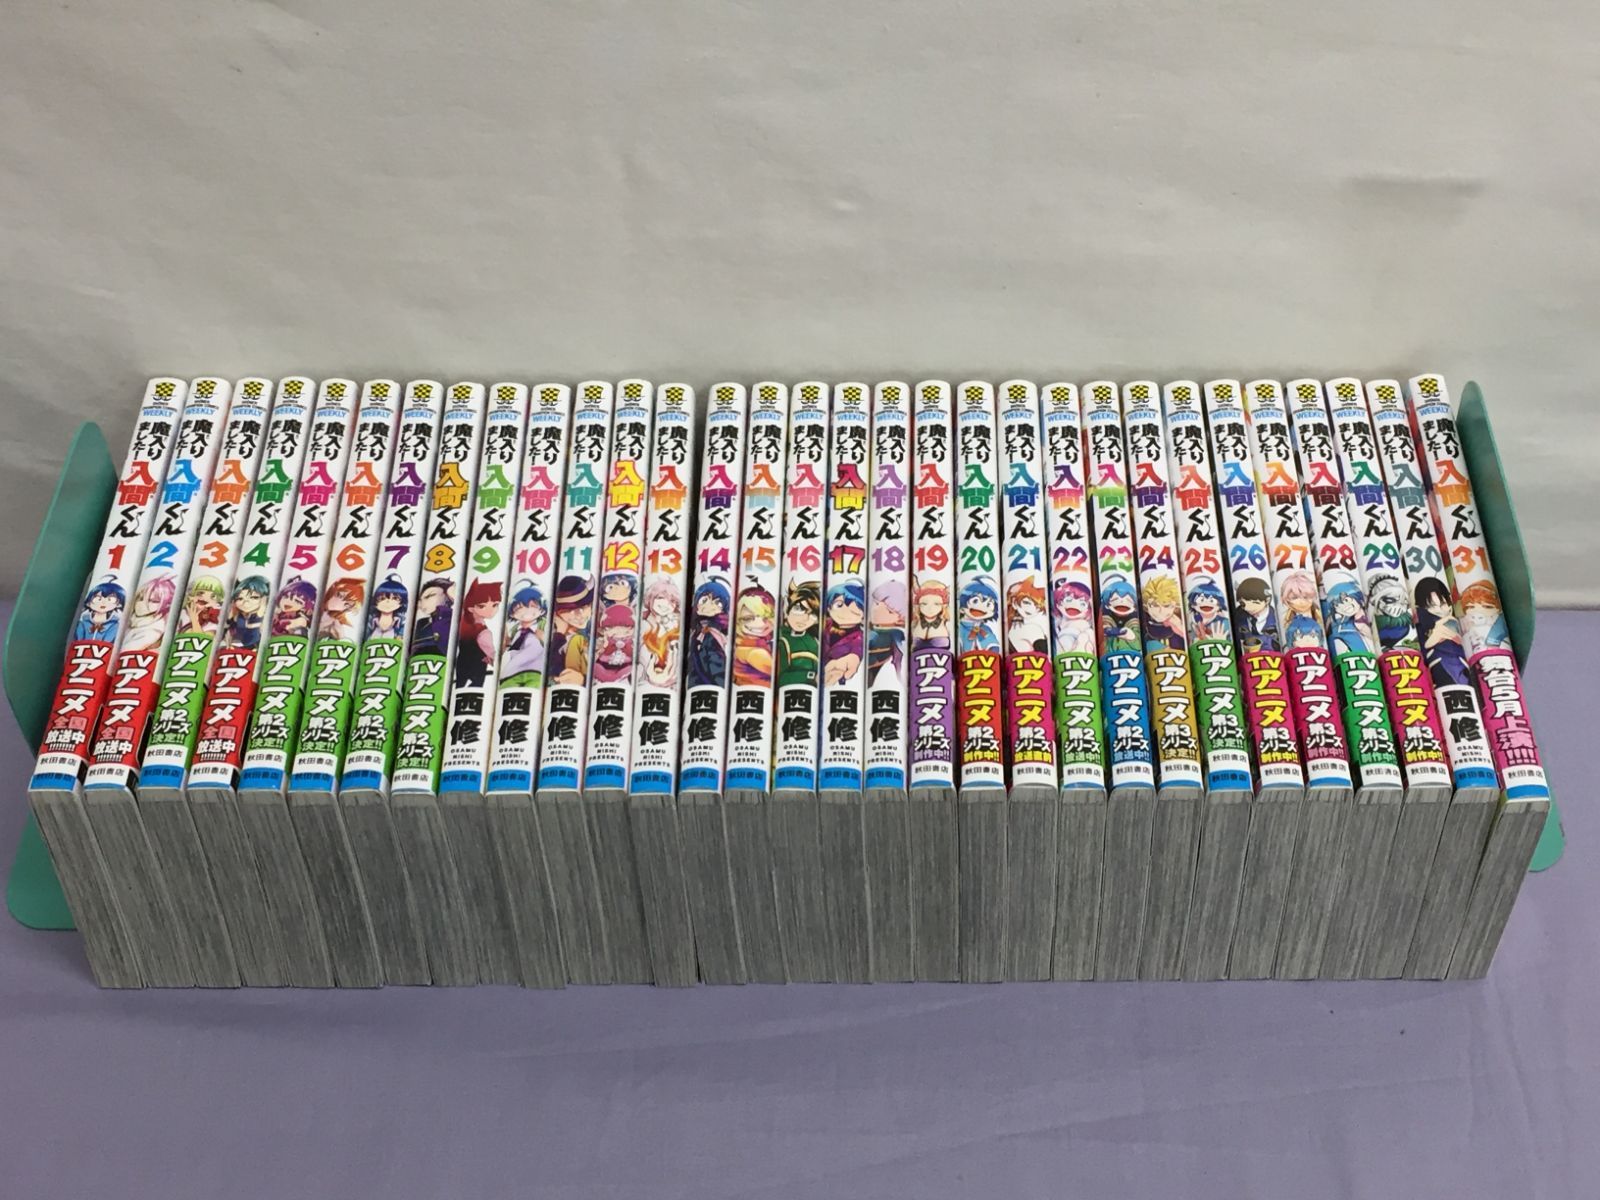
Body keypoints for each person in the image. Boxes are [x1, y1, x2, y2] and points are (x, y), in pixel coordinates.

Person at [1415, 576, 1470, 687]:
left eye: (1443, 604)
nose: (1440, 610)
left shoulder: (1460, 621)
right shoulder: (1421, 628)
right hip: (1440, 677)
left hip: (1465, 674)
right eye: (1432, 607)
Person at [454, 579, 502, 688]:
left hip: (461, 664)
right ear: (471, 608)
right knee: (474, 688)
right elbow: (492, 653)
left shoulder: (462, 624)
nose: (491, 610)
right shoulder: (483, 632)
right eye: (482, 606)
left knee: (461, 686)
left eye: (495, 605)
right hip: (477, 667)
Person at [547, 576, 594, 686]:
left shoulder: (598, 628)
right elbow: (552, 671)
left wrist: (584, 680)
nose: (579, 615)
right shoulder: (558, 637)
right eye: (568, 610)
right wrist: (560, 634)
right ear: (557, 614)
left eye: (584, 606)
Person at [500, 581, 548, 687]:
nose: (526, 611)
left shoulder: (542, 626)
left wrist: (543, 637)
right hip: (513, 673)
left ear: (542, 610)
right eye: (519, 608)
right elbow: (509, 646)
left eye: (533, 606)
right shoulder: (515, 630)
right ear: (512, 613)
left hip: (535, 670)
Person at [686, 578, 731, 688]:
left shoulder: (713, 635)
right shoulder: (696, 631)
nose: (709, 606)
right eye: (704, 600)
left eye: (717, 603)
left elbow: (717, 666)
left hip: (711, 686)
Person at [775, 579, 820, 688]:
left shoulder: (814, 640)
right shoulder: (781, 639)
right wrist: (811, 676)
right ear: (787, 607)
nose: (805, 618)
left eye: (813, 614)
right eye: (799, 609)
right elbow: (780, 677)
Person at [637, 579, 682, 688]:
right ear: (650, 599)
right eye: (660, 598)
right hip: (643, 680)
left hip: (670, 681)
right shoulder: (643, 624)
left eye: (672, 601)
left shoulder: (676, 626)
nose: (666, 604)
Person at [822, 580, 866, 686]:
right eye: (839, 605)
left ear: (863, 616)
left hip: (839, 680)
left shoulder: (859, 638)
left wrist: (853, 658)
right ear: (829, 608)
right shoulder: (825, 625)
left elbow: (858, 649)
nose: (844, 613)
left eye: (854, 611)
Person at [733, 584, 776, 688]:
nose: (760, 624)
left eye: (766, 616)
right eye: (748, 618)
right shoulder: (753, 652)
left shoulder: (762, 645)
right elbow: (782, 673)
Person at [866, 580, 908, 684]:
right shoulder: (871, 631)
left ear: (900, 619)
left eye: (889, 611)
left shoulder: (894, 635)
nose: (876, 609)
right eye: (876, 603)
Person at [122, 573, 177, 651]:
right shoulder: (133, 621)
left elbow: (126, 651)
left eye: (152, 601)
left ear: (166, 605)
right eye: (141, 598)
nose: (142, 604)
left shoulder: (152, 631)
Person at [1324, 576, 1375, 655]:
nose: (1344, 606)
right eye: (1337, 605)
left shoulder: (1371, 617)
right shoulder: (1340, 630)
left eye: (1346, 600)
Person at [1458, 579, 1510, 656]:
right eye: (1471, 607)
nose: (1478, 611)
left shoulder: (1499, 624)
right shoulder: (1465, 625)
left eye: (1486, 606)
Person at [591, 601, 636, 683]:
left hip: (626, 668)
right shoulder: (604, 641)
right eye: (610, 627)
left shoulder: (633, 642)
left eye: (626, 627)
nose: (619, 632)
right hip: (602, 666)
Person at [220, 576, 269, 649]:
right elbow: (224, 635)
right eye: (240, 598)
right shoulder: (238, 617)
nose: (245, 602)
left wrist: (258, 615)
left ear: (264, 599)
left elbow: (251, 638)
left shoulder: (265, 619)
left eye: (254, 597)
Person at [1140, 575, 1186, 654]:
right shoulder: (1143, 622)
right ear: (1146, 606)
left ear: (1175, 606)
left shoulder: (1178, 624)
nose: (1160, 611)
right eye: (1155, 605)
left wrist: (1180, 629)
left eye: (1166, 605)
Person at [409, 579, 454, 658]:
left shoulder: (453, 620)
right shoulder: (421, 623)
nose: (422, 603)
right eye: (420, 600)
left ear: (447, 595)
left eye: (429, 596)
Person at [1234, 577, 1278, 654]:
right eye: (1243, 603)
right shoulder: (1238, 616)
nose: (1247, 608)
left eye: (1254, 603)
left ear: (1267, 600)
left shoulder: (1276, 617)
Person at [1050, 579, 1095, 654]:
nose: (1075, 605)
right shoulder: (1055, 627)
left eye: (1082, 604)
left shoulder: (1086, 631)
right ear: (1058, 603)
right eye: (1069, 600)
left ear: (1088, 610)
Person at [957, 576, 1001, 653]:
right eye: (975, 601)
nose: (982, 607)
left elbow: (993, 644)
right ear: (962, 608)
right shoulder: (960, 628)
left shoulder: (985, 629)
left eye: (989, 604)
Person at [1098, 574, 1140, 654]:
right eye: (1115, 599)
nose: (1122, 602)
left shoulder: (1135, 621)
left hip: (1132, 656)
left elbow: (1137, 644)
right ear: (1108, 603)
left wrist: (1132, 636)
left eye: (1128, 600)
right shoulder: (1106, 617)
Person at [74, 579, 125, 643]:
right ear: (88, 603)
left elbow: (108, 641)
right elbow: (78, 639)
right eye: (98, 599)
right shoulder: (83, 624)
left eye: (110, 599)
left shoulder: (114, 626)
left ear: (118, 604)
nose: (103, 602)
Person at [317, 577, 365, 642]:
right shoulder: (316, 604)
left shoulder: (337, 624)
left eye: (347, 605)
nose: (338, 604)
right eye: (339, 595)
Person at [911, 578, 952, 652]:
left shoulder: (947, 622)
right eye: (924, 604)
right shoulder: (916, 621)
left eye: (936, 604)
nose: (930, 609)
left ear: (943, 606)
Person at [365, 575, 409, 641]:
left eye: (395, 598)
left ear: (402, 603)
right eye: (382, 598)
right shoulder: (372, 621)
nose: (388, 602)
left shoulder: (400, 622)